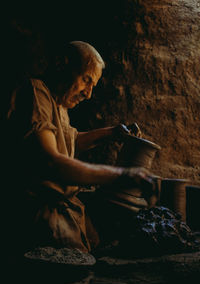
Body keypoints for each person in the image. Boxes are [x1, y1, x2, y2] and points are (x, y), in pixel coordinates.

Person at [3, 41, 157, 255]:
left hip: (67, 212)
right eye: (86, 80)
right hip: (37, 215)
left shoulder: (59, 104)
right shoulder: (36, 92)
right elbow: (52, 161)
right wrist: (122, 175)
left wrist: (112, 133)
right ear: (61, 65)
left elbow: (71, 141)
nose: (89, 93)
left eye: (92, 84)